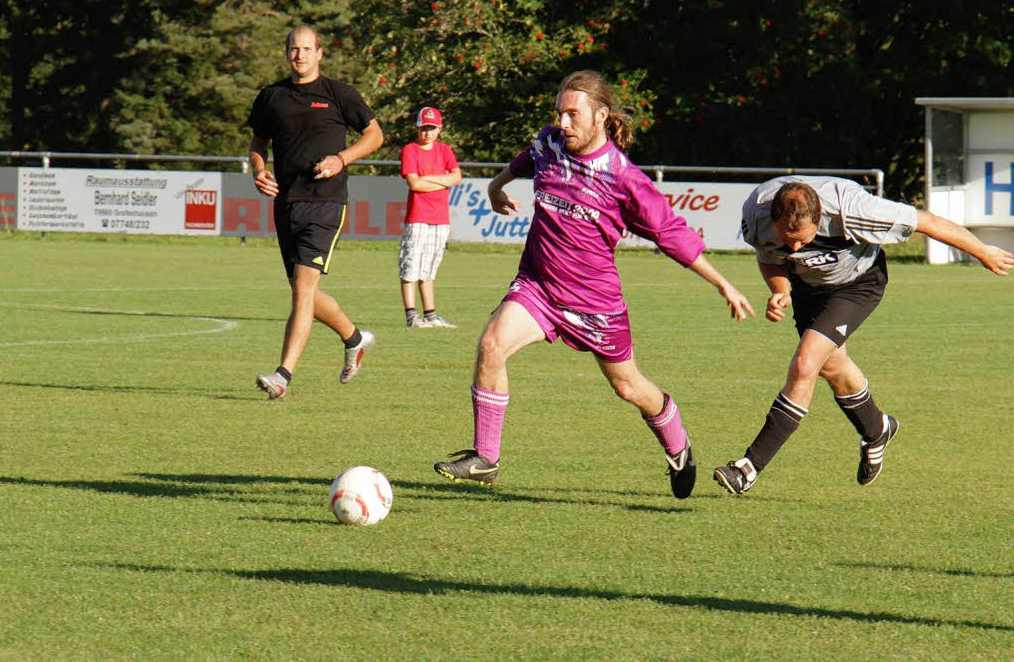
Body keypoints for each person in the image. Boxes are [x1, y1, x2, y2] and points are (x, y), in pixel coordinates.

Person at [432, 70, 755, 499]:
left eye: (573, 115)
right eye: (559, 113)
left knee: (628, 386)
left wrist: (723, 284)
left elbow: (671, 233)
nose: (563, 123)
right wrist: (496, 186)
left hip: (595, 304)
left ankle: (677, 442)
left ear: (601, 115)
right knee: (491, 345)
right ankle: (485, 459)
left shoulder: (623, 178)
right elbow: (525, 160)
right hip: (538, 288)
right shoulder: (550, 143)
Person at [714, 176, 1014, 494]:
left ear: (820, 219)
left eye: (802, 239)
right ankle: (878, 428)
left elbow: (926, 221)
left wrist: (982, 251)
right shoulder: (756, 214)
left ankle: (747, 468)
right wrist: (780, 290)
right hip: (808, 288)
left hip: (857, 285)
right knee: (831, 365)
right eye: (787, 239)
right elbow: (770, 258)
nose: (795, 247)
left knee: (806, 364)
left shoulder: (854, 209)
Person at [247, 25, 384, 399]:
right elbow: (258, 142)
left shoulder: (340, 94)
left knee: (303, 292)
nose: (300, 56)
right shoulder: (271, 96)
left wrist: (342, 159)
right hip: (285, 204)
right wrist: (259, 170)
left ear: (320, 53)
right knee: (303, 291)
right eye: (294, 49)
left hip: (325, 203)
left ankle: (283, 376)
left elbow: (375, 135)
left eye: (307, 49)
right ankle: (354, 339)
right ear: (287, 52)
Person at [398, 106, 462, 328]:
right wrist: (442, 179)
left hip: (440, 217)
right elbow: (414, 183)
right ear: (418, 127)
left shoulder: (444, 150)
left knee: (429, 267)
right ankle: (411, 315)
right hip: (418, 216)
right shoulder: (410, 150)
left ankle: (431, 314)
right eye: (424, 128)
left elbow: (456, 178)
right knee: (411, 264)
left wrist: (430, 180)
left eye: (432, 128)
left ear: (439, 129)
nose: (428, 133)